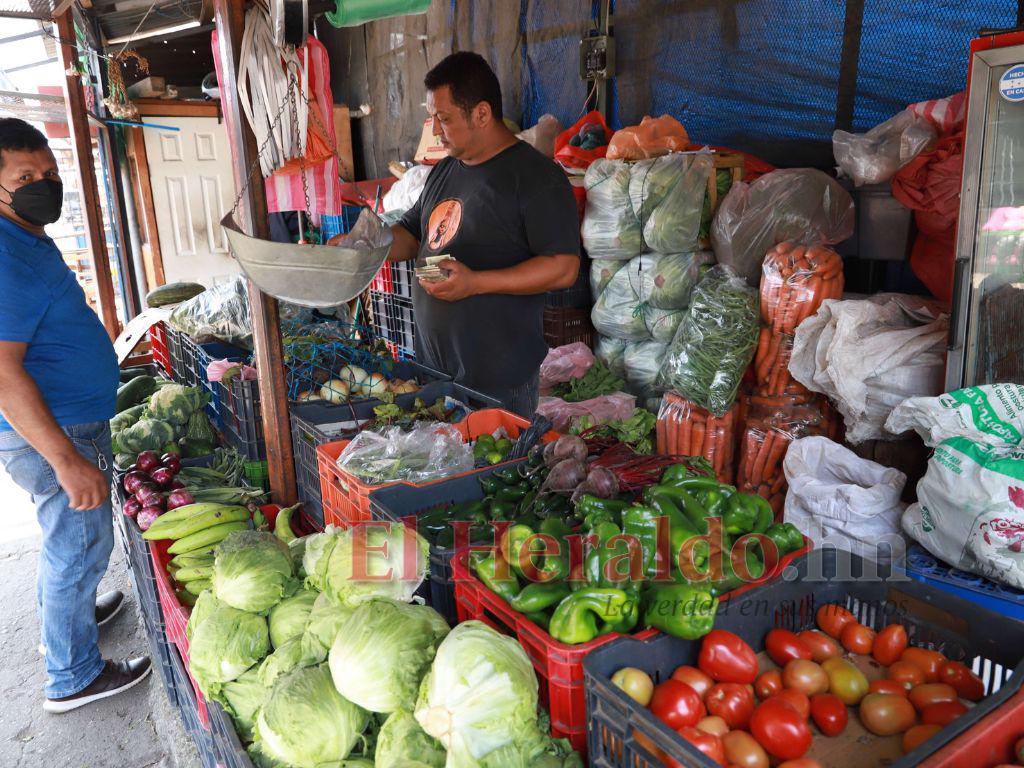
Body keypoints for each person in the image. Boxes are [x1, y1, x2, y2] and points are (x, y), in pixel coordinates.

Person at [0, 118, 150, 713]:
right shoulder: (4, 256)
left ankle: (67, 619)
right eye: (24, 177)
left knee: (66, 541)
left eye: (49, 172)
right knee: (78, 546)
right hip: (56, 433)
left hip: (66, 423)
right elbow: (3, 374)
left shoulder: (22, 236)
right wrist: (65, 460)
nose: (44, 184)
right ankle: (73, 675)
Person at [385, 51, 581, 415]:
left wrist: (475, 283)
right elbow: (412, 234)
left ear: (482, 114)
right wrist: (367, 247)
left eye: (444, 119)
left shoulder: (536, 177)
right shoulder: (445, 171)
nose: (435, 131)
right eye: (433, 119)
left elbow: (563, 268)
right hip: (435, 375)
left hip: (498, 385)